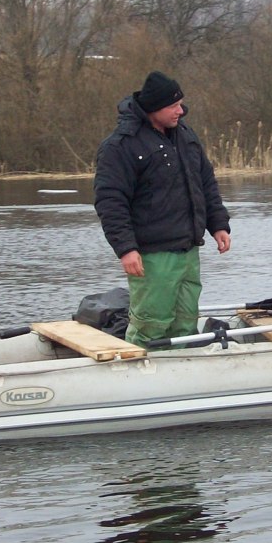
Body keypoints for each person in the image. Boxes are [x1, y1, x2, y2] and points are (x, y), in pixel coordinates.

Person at [94, 71, 231, 346]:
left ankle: (182, 374)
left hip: (189, 250)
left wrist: (218, 223)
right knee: (150, 324)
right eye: (173, 106)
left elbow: (205, 182)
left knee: (185, 321)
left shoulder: (185, 135)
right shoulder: (121, 146)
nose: (181, 111)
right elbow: (110, 201)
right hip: (152, 256)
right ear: (154, 108)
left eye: (181, 104)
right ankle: (138, 374)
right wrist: (126, 249)